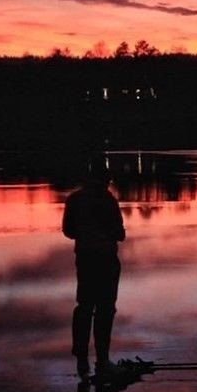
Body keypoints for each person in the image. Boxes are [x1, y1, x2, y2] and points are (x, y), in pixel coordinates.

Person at [63, 159, 125, 378]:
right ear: (105, 180)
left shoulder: (74, 199)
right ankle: (102, 359)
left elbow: (68, 231)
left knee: (85, 307)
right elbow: (120, 234)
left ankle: (82, 358)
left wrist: (85, 235)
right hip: (106, 258)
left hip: (85, 258)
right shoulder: (108, 200)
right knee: (105, 309)